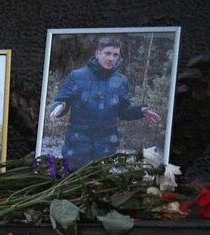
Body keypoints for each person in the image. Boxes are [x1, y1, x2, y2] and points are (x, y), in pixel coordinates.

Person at [48, 35, 161, 167]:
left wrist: (139, 111)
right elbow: (62, 101)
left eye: (115, 55)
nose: (111, 58)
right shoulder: (77, 76)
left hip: (106, 149)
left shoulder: (121, 81)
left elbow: (123, 111)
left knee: (101, 186)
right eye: (107, 53)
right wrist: (58, 108)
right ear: (98, 53)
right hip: (77, 147)